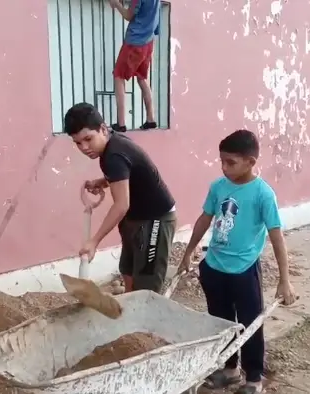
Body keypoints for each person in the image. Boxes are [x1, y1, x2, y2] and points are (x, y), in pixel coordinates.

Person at [178, 130, 297, 394]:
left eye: (231, 162)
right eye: (221, 161)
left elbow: (277, 237)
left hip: (243, 270)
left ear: (251, 162)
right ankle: (229, 369)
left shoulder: (263, 194)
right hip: (214, 267)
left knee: (250, 323)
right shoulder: (218, 187)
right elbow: (205, 218)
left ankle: (254, 377)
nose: (224, 167)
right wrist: (188, 252)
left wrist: (284, 281)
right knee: (220, 322)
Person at [64, 102, 176, 293]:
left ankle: (144, 321)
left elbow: (121, 205)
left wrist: (94, 241)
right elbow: (127, 171)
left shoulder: (113, 155)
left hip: (155, 220)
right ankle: (129, 319)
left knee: (146, 287)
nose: (84, 147)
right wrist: (103, 181)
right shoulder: (111, 144)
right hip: (135, 219)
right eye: (78, 143)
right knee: (128, 271)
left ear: (102, 129)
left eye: (88, 139)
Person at [109, 0, 160, 132]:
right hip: (148, 42)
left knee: (118, 76)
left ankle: (121, 123)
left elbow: (128, 15)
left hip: (135, 42)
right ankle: (151, 119)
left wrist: (116, 4)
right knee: (142, 78)